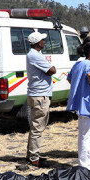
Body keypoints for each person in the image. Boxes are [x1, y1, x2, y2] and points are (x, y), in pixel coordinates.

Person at [68, 42, 90, 171]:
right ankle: (86, 164)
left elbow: (70, 78)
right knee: (88, 135)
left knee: (83, 133)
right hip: (89, 103)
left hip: (81, 103)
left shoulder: (77, 64)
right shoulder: (89, 64)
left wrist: (79, 88)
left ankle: (84, 162)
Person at [25, 31, 57, 167]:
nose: (44, 42)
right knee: (37, 128)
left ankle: (31, 154)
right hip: (40, 95)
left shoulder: (33, 55)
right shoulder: (35, 56)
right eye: (43, 40)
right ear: (39, 43)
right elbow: (52, 70)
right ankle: (34, 158)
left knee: (35, 127)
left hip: (35, 94)